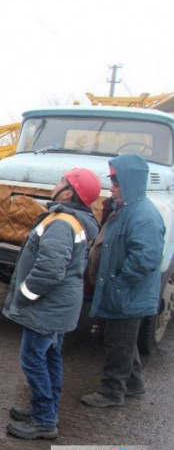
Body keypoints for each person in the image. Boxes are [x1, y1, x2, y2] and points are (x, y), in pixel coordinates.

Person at [3, 169, 101, 440]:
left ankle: (44, 420)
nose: (55, 184)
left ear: (69, 192)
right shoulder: (72, 220)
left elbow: (50, 270)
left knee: (34, 359)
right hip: (58, 306)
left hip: (48, 307)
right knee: (49, 357)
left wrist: (24, 294)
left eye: (60, 181)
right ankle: (45, 410)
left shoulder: (62, 223)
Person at [81, 154, 164, 407]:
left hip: (127, 294)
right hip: (122, 291)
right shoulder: (124, 209)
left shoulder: (143, 215)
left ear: (130, 181)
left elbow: (145, 259)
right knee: (124, 340)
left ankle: (111, 393)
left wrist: (118, 284)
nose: (112, 186)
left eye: (116, 181)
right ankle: (134, 384)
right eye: (111, 180)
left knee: (117, 343)